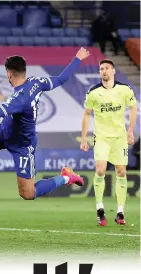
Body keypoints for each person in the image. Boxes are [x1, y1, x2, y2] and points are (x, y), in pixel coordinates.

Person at [0, 47, 91, 201]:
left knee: (28, 193)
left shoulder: (19, 100)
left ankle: (66, 177)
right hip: (5, 130)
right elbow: (60, 79)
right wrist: (77, 58)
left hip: (22, 144)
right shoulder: (36, 82)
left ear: (9, 74)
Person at [80, 59, 137, 226]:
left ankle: (120, 211)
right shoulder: (93, 92)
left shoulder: (124, 90)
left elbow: (133, 108)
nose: (103, 71)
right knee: (100, 169)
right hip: (102, 137)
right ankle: (100, 209)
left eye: (106, 68)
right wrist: (84, 138)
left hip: (119, 138)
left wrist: (131, 130)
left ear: (113, 71)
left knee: (121, 172)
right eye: (101, 69)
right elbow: (86, 114)